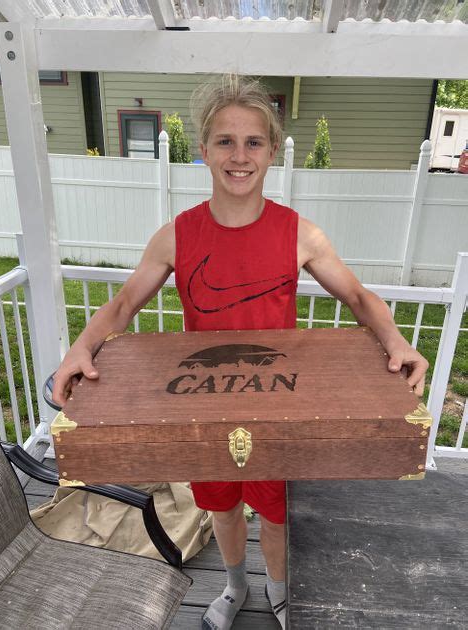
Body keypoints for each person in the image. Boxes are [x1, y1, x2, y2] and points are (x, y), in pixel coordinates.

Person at [53, 74, 429, 630]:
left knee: (276, 515)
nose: (239, 156)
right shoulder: (176, 235)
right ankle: (235, 586)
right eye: (225, 141)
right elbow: (125, 303)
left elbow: (357, 297)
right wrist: (80, 350)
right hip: (203, 406)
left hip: (278, 406)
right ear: (204, 150)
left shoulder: (299, 234)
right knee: (223, 509)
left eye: (253, 142)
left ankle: (279, 590)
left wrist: (396, 341)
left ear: (272, 151)